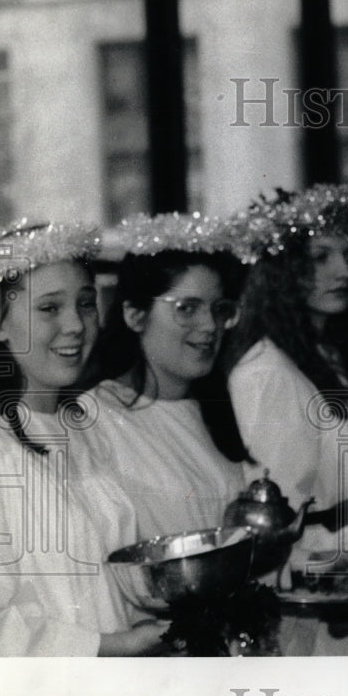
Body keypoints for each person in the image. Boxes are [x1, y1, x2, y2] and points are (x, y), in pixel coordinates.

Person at [0, 221, 165, 656]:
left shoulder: (85, 431)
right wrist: (112, 646)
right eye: (49, 309)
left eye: (86, 304)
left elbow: (109, 581)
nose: (76, 324)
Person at [225, 184, 348, 573]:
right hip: (322, 588)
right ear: (283, 271)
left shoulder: (333, 357)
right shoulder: (267, 373)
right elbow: (271, 521)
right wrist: (334, 550)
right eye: (320, 258)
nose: (344, 271)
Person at [75, 212, 250, 540]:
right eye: (187, 308)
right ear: (135, 315)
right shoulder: (95, 419)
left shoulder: (210, 408)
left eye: (218, 309)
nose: (210, 326)